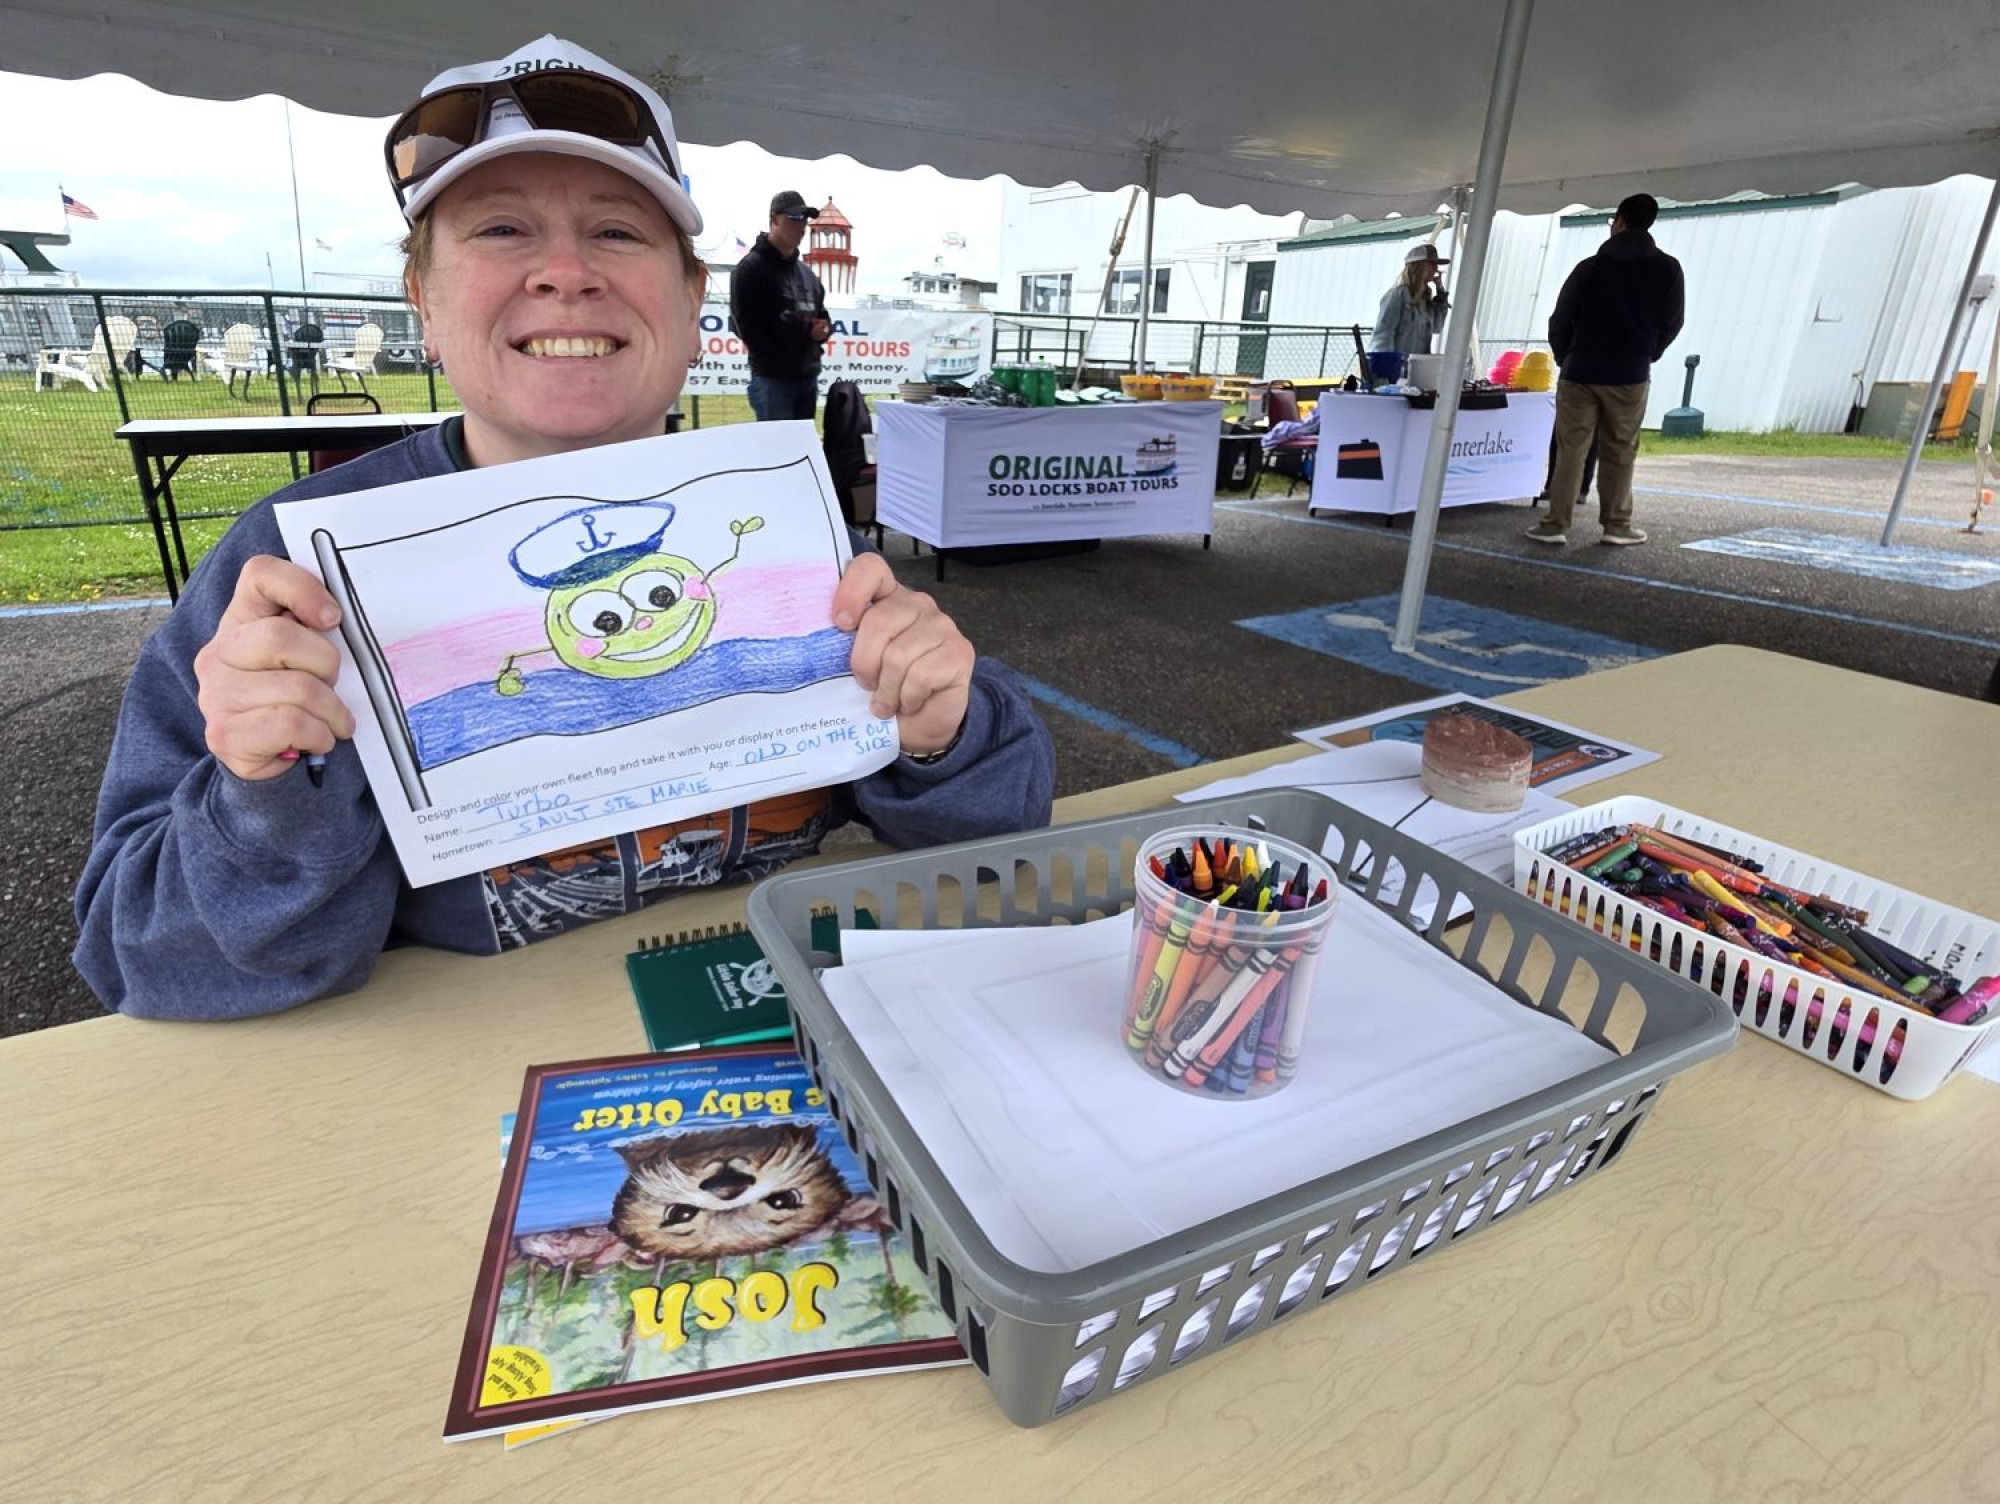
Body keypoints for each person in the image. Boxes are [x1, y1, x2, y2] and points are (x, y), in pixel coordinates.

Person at [72, 36, 1056, 1021]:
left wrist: (943, 731)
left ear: (689, 296)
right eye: (501, 229)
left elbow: (1001, 832)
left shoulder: (772, 513)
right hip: (449, 1076)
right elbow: (137, 956)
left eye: (618, 232)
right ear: (423, 299)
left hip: (769, 1033)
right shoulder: (289, 568)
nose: (564, 272)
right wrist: (258, 796)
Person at [1527, 193, 1685, 547]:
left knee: (1572, 448)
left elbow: (1560, 319)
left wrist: (1565, 356)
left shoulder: (1590, 267)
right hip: (1630, 372)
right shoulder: (1668, 269)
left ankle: (1555, 524)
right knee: (1620, 448)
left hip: (1581, 369)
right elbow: (1673, 321)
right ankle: (1616, 524)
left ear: (1620, 220)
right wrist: (1649, 352)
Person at [731, 190, 832, 421]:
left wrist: (824, 330)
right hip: (772, 382)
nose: (802, 226)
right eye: (794, 218)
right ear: (774, 219)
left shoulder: (807, 274)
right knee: (777, 454)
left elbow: (823, 316)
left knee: (802, 451)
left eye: (805, 220)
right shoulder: (750, 269)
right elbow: (747, 329)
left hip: (808, 378)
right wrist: (804, 333)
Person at [1370, 244, 1450, 358]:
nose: (1436, 269)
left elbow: (1437, 327)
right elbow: (1383, 333)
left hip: (1417, 367)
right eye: (1432, 264)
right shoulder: (1398, 295)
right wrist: (1387, 365)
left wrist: (1441, 295)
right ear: (1419, 267)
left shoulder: (1425, 300)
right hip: (1397, 366)